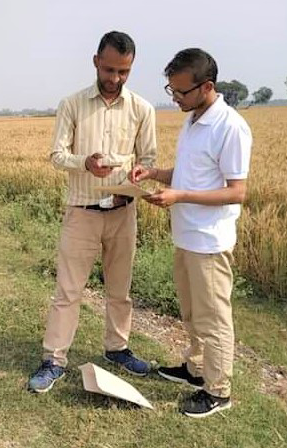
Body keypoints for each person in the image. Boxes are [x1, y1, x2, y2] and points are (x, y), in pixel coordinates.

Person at [28, 31, 157, 393]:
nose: (115, 78)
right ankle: (53, 359)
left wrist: (137, 176)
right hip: (81, 212)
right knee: (68, 291)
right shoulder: (71, 105)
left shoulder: (142, 109)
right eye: (110, 69)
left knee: (121, 289)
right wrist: (84, 162)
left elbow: (148, 160)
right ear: (96, 61)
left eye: (124, 71)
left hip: (122, 213)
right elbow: (57, 156)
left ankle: (117, 349)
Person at [130, 48, 252, 418]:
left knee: (213, 317)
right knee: (191, 312)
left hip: (210, 242)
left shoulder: (230, 126)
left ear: (206, 86)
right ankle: (195, 369)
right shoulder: (194, 118)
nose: (175, 99)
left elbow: (237, 191)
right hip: (186, 235)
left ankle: (218, 390)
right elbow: (188, 172)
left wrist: (180, 195)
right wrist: (153, 174)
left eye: (181, 92)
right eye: (171, 91)